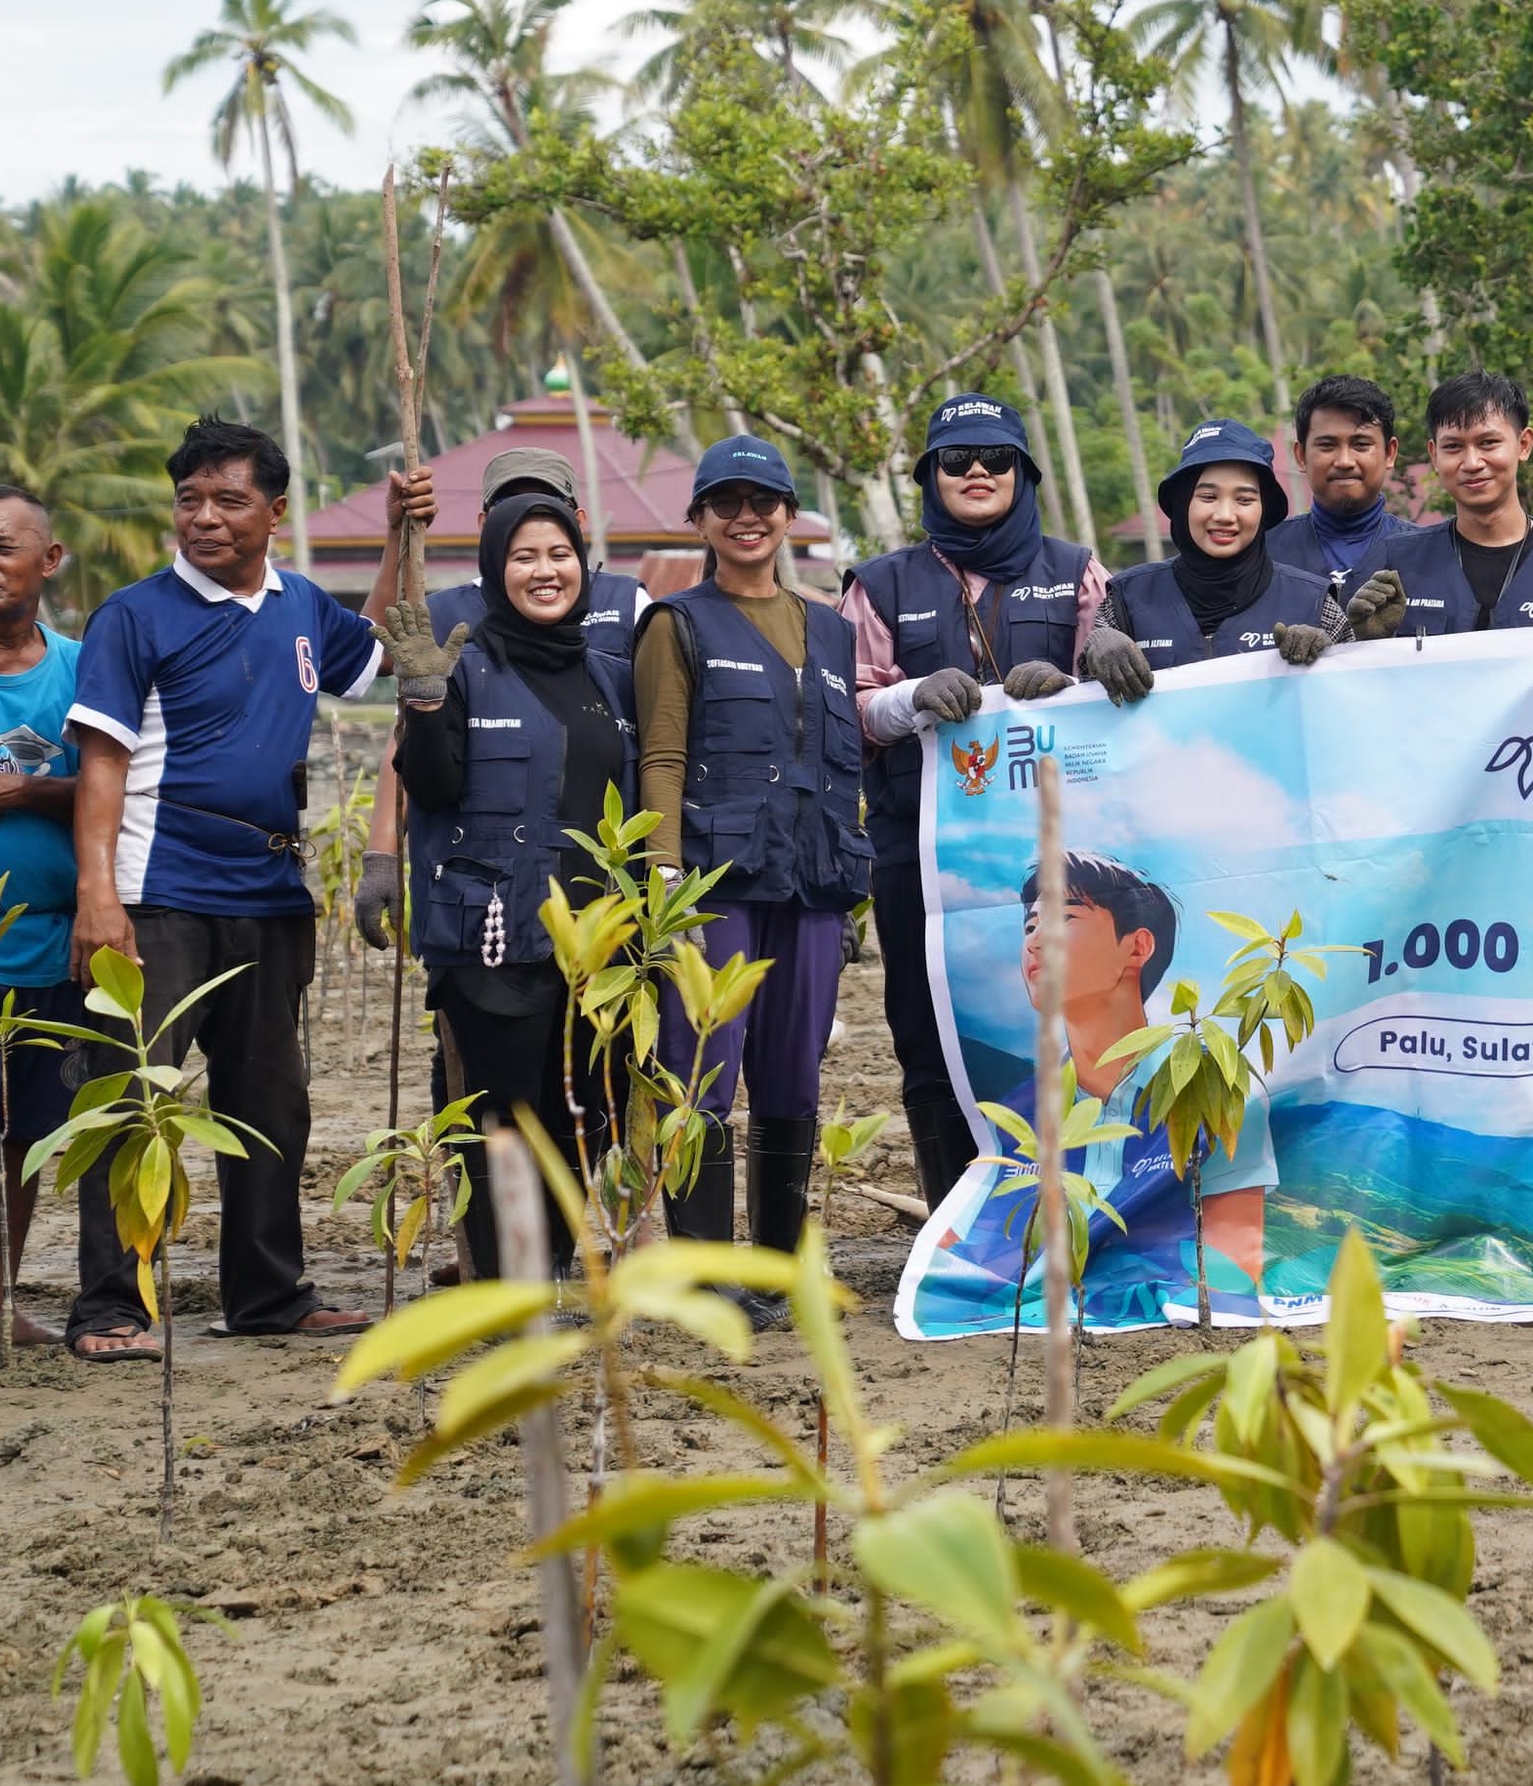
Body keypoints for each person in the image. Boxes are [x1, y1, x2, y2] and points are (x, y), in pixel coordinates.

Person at [61, 419, 417, 1357]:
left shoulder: (299, 605)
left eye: (228, 500)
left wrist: (394, 539)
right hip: (158, 891)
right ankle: (110, 1304)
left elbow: (367, 651)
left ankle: (267, 1292)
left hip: (269, 889)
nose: (205, 519)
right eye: (189, 500)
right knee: (135, 1095)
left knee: (270, 1099)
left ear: (275, 510)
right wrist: (99, 897)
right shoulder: (135, 616)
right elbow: (101, 764)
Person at [841, 394, 1153, 1203]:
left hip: (1064, 856)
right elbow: (850, 709)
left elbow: (1128, 691)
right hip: (921, 855)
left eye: (996, 458)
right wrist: (910, 696)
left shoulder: (1078, 570)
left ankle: (1080, 1202)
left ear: (1024, 472)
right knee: (931, 1034)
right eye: (956, 459)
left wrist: (1093, 666)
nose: (977, 471)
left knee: (1050, 1028)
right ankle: (955, 1216)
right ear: (929, 477)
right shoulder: (879, 585)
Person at [627, 437, 872, 1277]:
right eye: (725, 503)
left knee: (793, 1075)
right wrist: (661, 878)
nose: (746, 517)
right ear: (699, 518)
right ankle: (704, 1272)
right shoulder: (677, 624)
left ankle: (772, 1267)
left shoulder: (832, 632)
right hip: (713, 883)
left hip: (813, 883)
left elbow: (847, 766)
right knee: (702, 1072)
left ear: (789, 516)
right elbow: (660, 755)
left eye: (762, 502)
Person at [387, 491, 642, 1282]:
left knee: (587, 1119)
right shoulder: (461, 665)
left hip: (597, 944)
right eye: (524, 556)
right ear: (496, 569)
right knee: (503, 1122)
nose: (545, 571)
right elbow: (429, 788)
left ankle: (552, 1265)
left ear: (583, 566)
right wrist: (425, 702)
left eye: (559, 554)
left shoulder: (613, 676)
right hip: (496, 937)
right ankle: (503, 1288)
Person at [351, 445, 638, 962]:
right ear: (486, 522)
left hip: (596, 882)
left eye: (546, 507)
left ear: (576, 521)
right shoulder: (443, 612)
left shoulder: (626, 604)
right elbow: (407, 738)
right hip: (484, 889)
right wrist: (382, 853)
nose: (530, 521)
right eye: (510, 508)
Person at [1014, 849, 1270, 1316]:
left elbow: (1236, 1262)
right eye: (1030, 925)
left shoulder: (1209, 1082)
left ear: (1137, 947)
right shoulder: (1021, 1107)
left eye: (1062, 919)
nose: (1034, 942)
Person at [0, 487, 79, 1346]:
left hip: (51, 940)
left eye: (1, 546)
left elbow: (122, 789)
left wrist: (21, 788)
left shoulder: (84, 671)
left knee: (23, 1133)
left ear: (48, 561)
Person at [1338, 374, 1533, 640]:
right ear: (1434, 455)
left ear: (1524, 445)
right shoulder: (1394, 562)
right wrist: (1368, 641)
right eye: (1453, 447)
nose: (1472, 463)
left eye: (1488, 443)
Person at [1109, 423, 1337, 670]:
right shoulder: (1126, 599)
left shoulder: (1313, 601)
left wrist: (1330, 652)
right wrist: (1094, 653)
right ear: (1182, 503)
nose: (1225, 515)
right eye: (1208, 497)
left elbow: (1353, 691)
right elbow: (1089, 697)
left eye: (1244, 500)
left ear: (1264, 510)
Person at [1268, 375, 1409, 590]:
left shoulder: (1426, 554)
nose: (1344, 461)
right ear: (1300, 455)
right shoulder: (1264, 553)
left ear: (1389, 453)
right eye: (1327, 445)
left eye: (1361, 444)